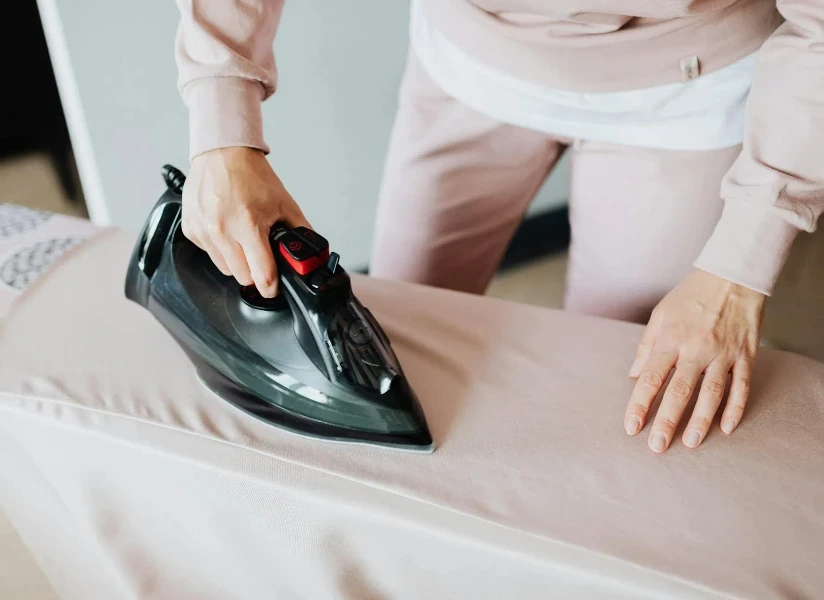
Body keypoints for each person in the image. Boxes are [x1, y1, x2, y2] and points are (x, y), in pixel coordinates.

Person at [170, 0, 824, 454]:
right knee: (397, 325)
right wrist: (222, 128)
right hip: (469, 57)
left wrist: (740, 263)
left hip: (685, 87)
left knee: (616, 385)